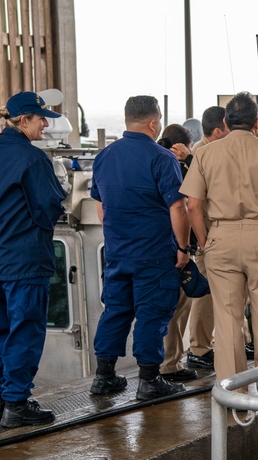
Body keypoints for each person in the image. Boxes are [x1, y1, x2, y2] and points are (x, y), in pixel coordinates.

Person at [88, 95, 205, 400]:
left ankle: (104, 377)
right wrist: (183, 248)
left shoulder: (104, 156)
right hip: (154, 253)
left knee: (115, 311)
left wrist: (117, 237)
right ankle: (149, 381)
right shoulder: (162, 158)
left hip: (116, 253)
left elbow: (101, 207)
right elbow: (178, 209)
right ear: (154, 123)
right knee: (152, 315)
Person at [181, 91, 258, 397]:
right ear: (257, 121)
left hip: (220, 237)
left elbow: (192, 205)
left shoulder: (205, 154)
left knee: (228, 320)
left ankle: (234, 396)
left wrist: (206, 242)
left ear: (225, 122)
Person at [0, 91, 66, 427]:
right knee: (25, 330)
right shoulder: (33, 159)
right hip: (24, 260)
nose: (45, 124)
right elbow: (51, 206)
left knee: (0, 330)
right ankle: (17, 404)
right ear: (24, 120)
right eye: (41, 118)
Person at [185, 106, 227, 371]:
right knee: (205, 296)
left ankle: (209, 346)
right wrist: (203, 242)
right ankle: (199, 350)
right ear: (217, 130)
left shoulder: (208, 151)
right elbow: (194, 204)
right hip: (209, 237)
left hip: (218, 236)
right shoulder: (201, 154)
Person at [157, 123, 199, 382]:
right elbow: (187, 206)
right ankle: (171, 365)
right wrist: (186, 249)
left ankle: (160, 363)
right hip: (178, 248)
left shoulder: (154, 161)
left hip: (154, 246)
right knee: (178, 309)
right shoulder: (180, 168)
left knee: (163, 309)